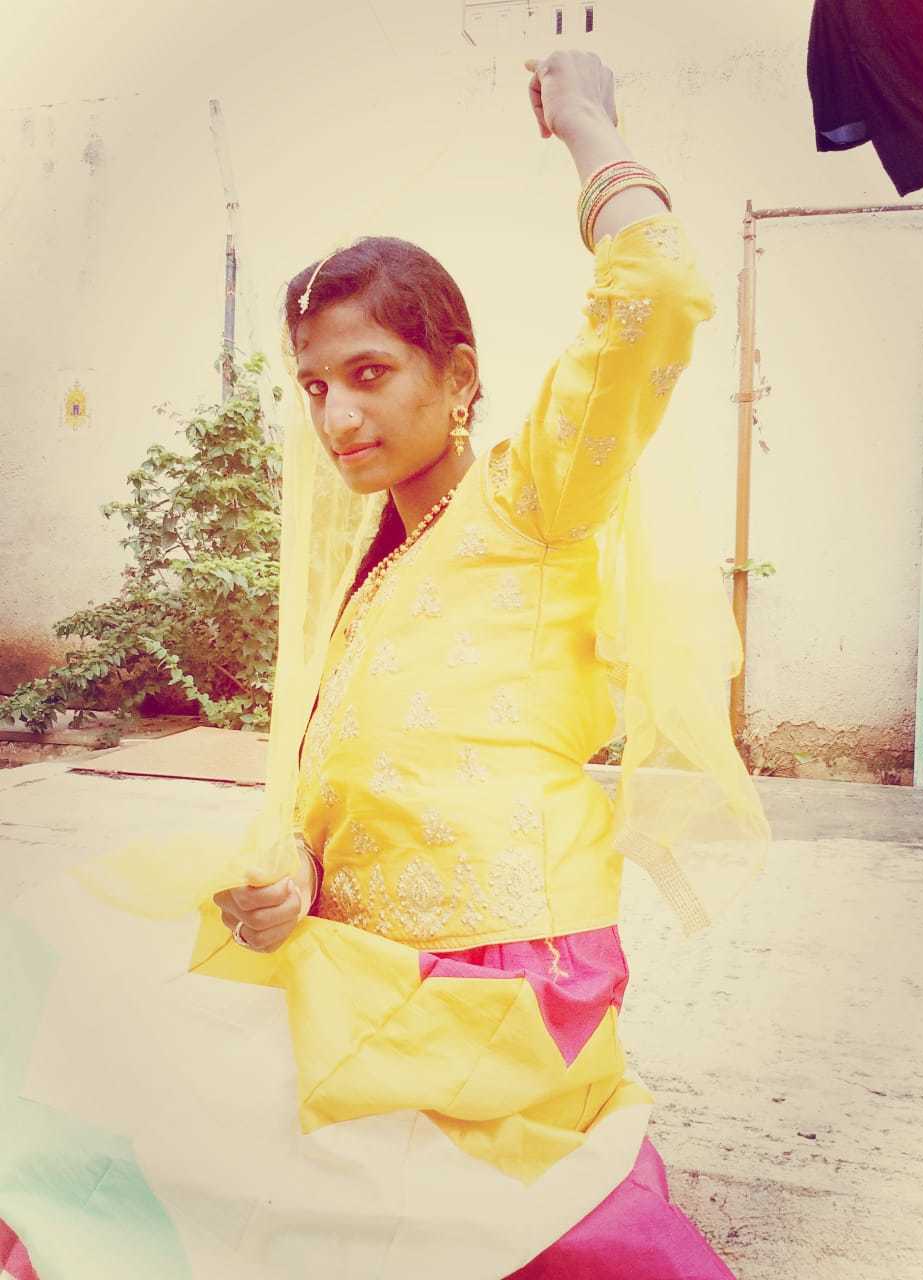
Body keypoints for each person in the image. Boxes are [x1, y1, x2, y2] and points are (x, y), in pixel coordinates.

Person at [0, 48, 767, 1280]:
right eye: (314, 385)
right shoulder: (373, 571)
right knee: (69, 993)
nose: (337, 417)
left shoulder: (534, 499)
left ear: (457, 378)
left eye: (370, 374)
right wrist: (298, 869)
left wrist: (586, 120)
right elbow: (345, 776)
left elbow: (661, 292)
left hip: (505, 975)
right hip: (362, 963)